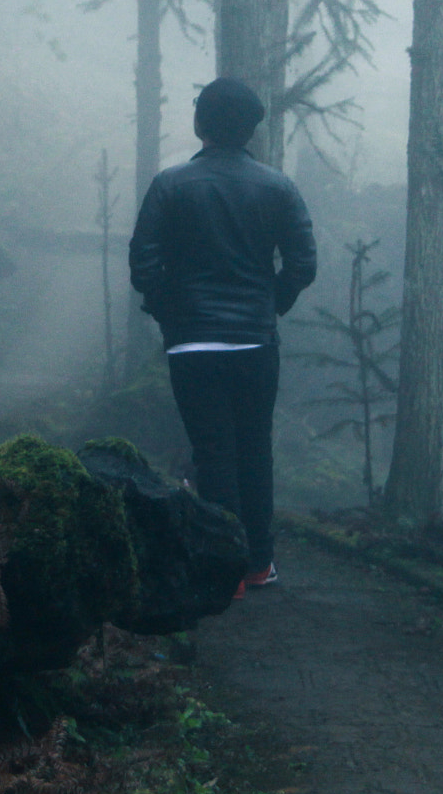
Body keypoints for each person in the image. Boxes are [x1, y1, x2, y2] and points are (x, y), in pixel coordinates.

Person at [128, 77, 316, 598]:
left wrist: (173, 314)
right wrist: (270, 304)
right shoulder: (277, 187)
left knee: (212, 451)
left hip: (192, 343)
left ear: (200, 124)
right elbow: (303, 263)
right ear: (251, 127)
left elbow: (143, 265)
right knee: (254, 448)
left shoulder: (171, 185)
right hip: (255, 342)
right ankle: (258, 565)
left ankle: (224, 572)